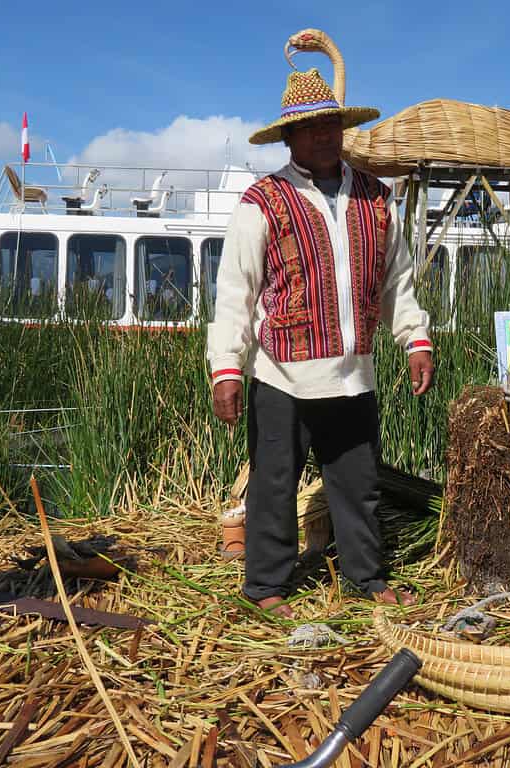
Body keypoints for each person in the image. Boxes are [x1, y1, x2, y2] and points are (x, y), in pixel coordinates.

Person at [206, 67, 435, 619]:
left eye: (330, 125)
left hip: (353, 375)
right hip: (281, 376)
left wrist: (415, 338)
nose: (323, 135)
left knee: (356, 485)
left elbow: (396, 280)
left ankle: (366, 577)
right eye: (309, 129)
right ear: (289, 138)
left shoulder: (376, 200)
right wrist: (226, 369)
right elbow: (236, 289)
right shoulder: (262, 201)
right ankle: (265, 586)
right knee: (274, 485)